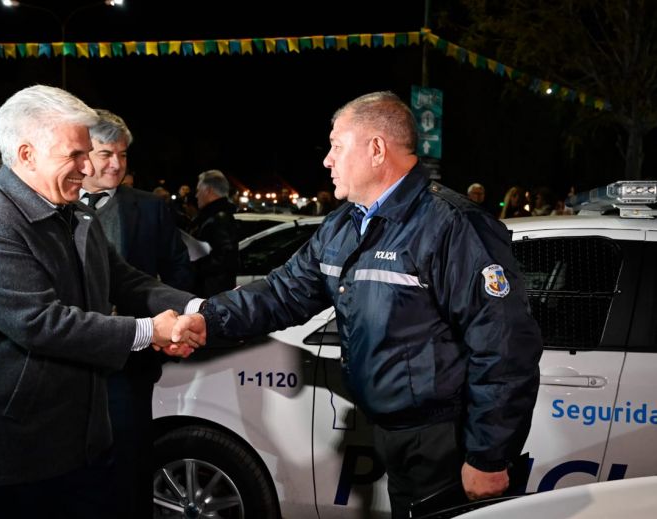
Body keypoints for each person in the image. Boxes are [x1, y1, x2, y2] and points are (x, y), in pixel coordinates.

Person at [178, 91, 543, 518]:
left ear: (375, 149)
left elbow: (504, 344)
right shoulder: (345, 225)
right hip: (394, 432)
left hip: (446, 437)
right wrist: (204, 319)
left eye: (336, 145)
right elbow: (283, 292)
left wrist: (489, 455)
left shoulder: (451, 225)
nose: (327, 161)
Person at [0, 85, 205, 519]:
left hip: (82, 440)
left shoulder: (76, 214)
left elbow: (126, 281)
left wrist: (198, 310)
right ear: (26, 155)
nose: (88, 168)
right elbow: (41, 323)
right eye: (76, 155)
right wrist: (149, 331)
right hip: (17, 454)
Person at [79, 108, 194, 518]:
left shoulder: (150, 208)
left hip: (130, 362)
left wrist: (180, 319)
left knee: (129, 467)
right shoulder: (56, 208)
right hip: (68, 363)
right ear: (81, 153)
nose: (117, 164)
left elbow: (178, 269)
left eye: (123, 155)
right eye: (107, 153)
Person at [189, 169, 239, 297]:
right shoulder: (215, 216)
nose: (196, 195)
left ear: (208, 191)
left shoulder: (219, 218)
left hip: (212, 292)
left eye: (198, 190)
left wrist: (195, 267)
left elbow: (225, 257)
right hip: (213, 291)